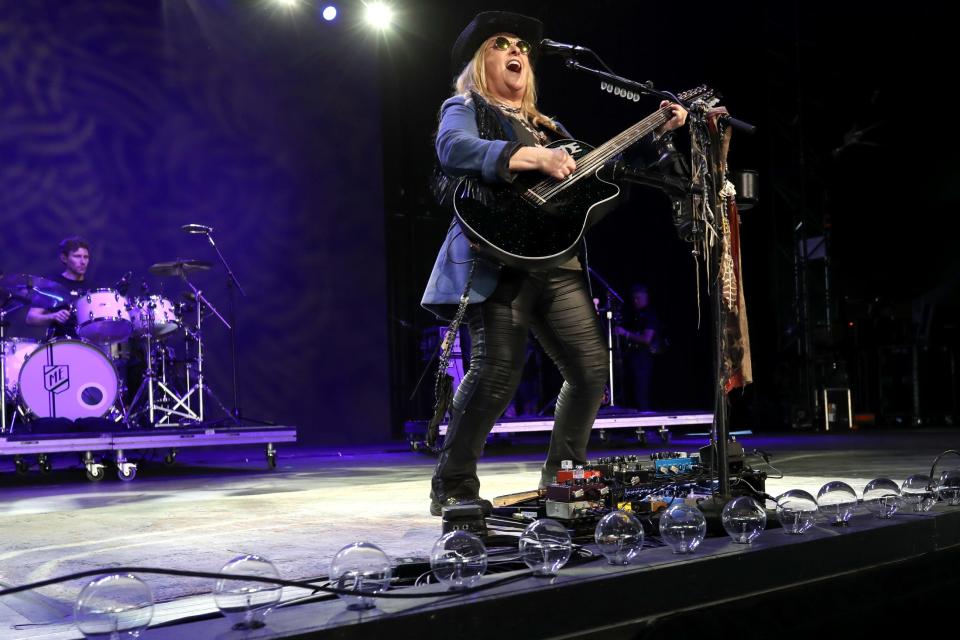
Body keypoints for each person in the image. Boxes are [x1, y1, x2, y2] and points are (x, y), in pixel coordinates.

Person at [421, 11, 687, 516]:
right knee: (496, 372)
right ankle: (453, 483)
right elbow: (452, 150)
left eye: (521, 44)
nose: (516, 49)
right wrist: (535, 159)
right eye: (501, 44)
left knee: (589, 372)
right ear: (482, 62)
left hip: (557, 263)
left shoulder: (551, 128)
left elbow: (612, 180)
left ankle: (564, 479)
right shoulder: (465, 106)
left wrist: (659, 133)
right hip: (496, 256)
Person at [25, 236, 91, 339]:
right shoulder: (51, 286)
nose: (83, 262)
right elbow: (31, 318)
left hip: (89, 345)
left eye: (86, 257)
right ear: (64, 258)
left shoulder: (94, 288)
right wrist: (53, 316)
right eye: (77, 256)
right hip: (60, 344)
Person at [615, 283, 661, 411]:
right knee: (633, 393)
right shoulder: (636, 315)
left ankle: (648, 427)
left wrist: (625, 333)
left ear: (646, 297)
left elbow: (646, 339)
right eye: (634, 298)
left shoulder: (649, 315)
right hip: (635, 358)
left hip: (644, 358)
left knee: (641, 394)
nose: (635, 301)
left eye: (638, 298)